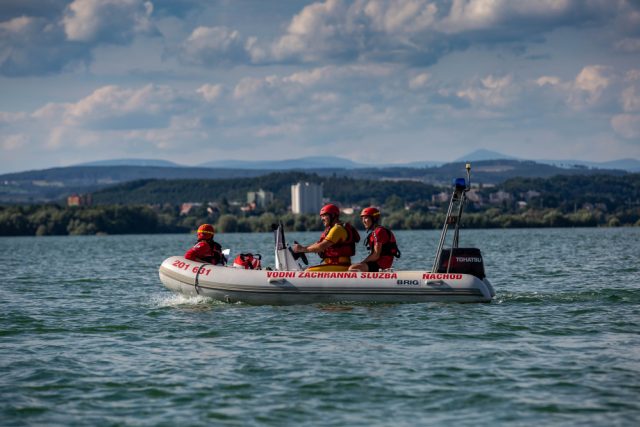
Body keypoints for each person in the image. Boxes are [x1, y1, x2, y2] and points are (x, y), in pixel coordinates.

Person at [293, 203, 360, 271]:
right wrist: (303, 249)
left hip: (340, 266)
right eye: (321, 216)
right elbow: (318, 244)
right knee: (303, 269)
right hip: (335, 265)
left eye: (324, 215)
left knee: (308, 272)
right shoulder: (333, 228)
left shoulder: (337, 229)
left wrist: (303, 249)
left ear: (333, 215)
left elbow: (321, 247)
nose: (322, 219)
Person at [349, 207, 400, 272]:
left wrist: (362, 263)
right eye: (362, 218)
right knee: (354, 266)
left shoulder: (379, 231)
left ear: (374, 218)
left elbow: (376, 255)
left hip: (380, 265)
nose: (363, 221)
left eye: (366, 218)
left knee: (353, 268)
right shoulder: (377, 231)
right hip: (377, 264)